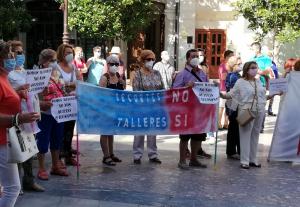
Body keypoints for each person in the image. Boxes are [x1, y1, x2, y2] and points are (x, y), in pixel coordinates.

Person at [0, 40, 40, 207]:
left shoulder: (5, 78)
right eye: (9, 55)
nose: (13, 58)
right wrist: (18, 119)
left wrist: (17, 93)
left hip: (7, 139)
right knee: (13, 188)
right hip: (1, 140)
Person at [220, 61, 280, 169]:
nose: (255, 70)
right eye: (253, 68)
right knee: (244, 136)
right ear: (247, 70)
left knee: (255, 135)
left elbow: (262, 97)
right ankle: (245, 161)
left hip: (260, 110)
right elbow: (230, 94)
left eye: (256, 68)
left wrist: (272, 95)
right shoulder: (240, 82)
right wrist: (220, 94)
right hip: (246, 110)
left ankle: (253, 159)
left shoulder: (258, 82)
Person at [7, 40, 45, 193]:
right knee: (17, 149)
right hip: (16, 116)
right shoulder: (8, 73)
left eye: (22, 52)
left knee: (30, 149)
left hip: (30, 116)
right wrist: (18, 89)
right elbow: (9, 93)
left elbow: (33, 92)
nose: (21, 55)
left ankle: (29, 181)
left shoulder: (24, 71)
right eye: (18, 52)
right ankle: (15, 183)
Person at [172, 49, 209, 169]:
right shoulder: (182, 74)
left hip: (200, 109)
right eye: (193, 56)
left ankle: (194, 159)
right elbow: (175, 91)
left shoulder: (202, 73)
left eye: (197, 56)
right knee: (185, 136)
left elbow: (207, 86)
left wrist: (213, 86)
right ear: (187, 59)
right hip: (186, 110)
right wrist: (186, 87)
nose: (196, 58)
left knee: (198, 136)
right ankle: (182, 160)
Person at [35, 49, 69, 180]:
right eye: (52, 60)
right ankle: (42, 168)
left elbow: (63, 89)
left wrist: (68, 97)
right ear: (44, 62)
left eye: (55, 60)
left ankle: (55, 165)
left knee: (57, 139)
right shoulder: (38, 75)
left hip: (59, 113)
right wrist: (42, 102)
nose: (55, 63)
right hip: (45, 114)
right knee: (43, 141)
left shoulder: (57, 73)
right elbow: (34, 96)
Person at [132, 50, 164, 165]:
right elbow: (136, 91)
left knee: (152, 132)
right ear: (143, 60)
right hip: (141, 108)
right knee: (139, 132)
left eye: (152, 59)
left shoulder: (157, 73)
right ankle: (137, 155)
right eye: (148, 59)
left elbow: (162, 89)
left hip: (154, 108)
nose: (151, 62)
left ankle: (153, 155)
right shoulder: (137, 74)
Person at [56, 44, 82, 166]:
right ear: (61, 53)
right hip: (61, 104)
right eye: (67, 53)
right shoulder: (55, 67)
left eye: (71, 52)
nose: (69, 55)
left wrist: (71, 84)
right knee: (60, 131)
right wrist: (71, 84)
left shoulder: (73, 67)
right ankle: (59, 158)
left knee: (69, 131)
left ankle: (68, 155)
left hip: (72, 103)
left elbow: (79, 82)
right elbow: (57, 84)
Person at [99, 55, 125, 166]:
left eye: (116, 64)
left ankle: (111, 153)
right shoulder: (105, 78)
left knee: (111, 132)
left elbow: (122, 90)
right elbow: (100, 94)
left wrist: (123, 84)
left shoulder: (118, 76)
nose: (114, 66)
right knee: (105, 132)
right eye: (112, 64)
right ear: (107, 65)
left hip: (116, 109)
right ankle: (106, 156)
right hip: (105, 109)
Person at [250, 42, 274, 133]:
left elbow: (268, 70)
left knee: (261, 105)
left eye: (253, 49)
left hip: (261, 83)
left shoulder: (266, 58)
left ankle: (260, 126)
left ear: (257, 49)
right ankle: (251, 124)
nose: (252, 51)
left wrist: (259, 72)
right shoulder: (251, 59)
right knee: (251, 105)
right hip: (251, 84)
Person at [225, 56, 242, 160]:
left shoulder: (237, 75)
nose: (241, 65)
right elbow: (234, 92)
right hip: (234, 106)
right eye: (239, 64)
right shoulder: (233, 76)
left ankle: (237, 151)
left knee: (236, 128)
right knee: (234, 129)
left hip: (236, 105)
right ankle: (231, 151)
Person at [218, 50, 234, 129]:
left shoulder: (232, 66)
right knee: (221, 106)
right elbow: (223, 77)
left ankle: (226, 123)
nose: (233, 57)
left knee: (228, 106)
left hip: (231, 89)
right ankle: (218, 123)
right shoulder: (223, 66)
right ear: (227, 57)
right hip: (223, 88)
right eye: (231, 56)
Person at [266, 51, 279, 116]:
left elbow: (276, 72)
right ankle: (263, 110)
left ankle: (269, 110)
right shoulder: (265, 64)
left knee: (272, 97)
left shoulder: (273, 63)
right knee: (266, 96)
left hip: (274, 81)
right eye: (268, 57)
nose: (270, 58)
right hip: (267, 82)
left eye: (271, 56)